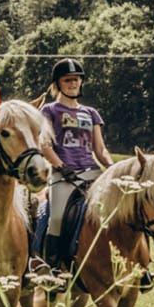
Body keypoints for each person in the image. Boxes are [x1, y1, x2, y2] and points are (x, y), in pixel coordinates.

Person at [36, 56, 114, 271]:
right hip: (63, 175)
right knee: (57, 216)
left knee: (122, 209)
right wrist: (61, 167)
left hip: (91, 172)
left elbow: (100, 148)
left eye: (76, 79)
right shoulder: (49, 111)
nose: (73, 83)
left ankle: (138, 264)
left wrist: (111, 167)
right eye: (68, 80)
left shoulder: (91, 113)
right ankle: (51, 267)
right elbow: (44, 145)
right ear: (58, 83)